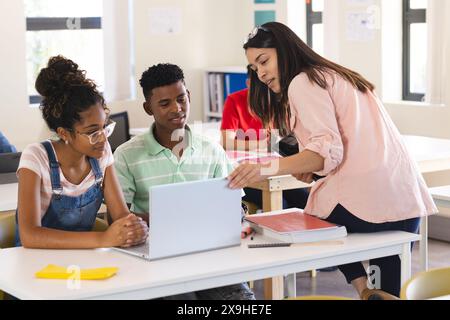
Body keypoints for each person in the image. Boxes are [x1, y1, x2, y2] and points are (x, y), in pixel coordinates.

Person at [228, 22, 437, 299]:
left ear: (285, 50)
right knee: (389, 293)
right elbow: (335, 151)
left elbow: (323, 154)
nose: (261, 73)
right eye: (255, 68)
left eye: (264, 61)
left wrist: (264, 169)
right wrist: (312, 168)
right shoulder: (335, 74)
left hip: (370, 202)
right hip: (405, 202)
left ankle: (361, 287)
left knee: (309, 218)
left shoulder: (303, 82)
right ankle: (372, 292)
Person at [113, 63, 255, 300]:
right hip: (155, 261)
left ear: (188, 96)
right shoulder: (126, 155)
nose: (176, 109)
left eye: (181, 99)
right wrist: (177, 220)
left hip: (210, 257)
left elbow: (233, 208)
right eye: (164, 103)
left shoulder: (211, 150)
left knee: (243, 302)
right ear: (149, 108)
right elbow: (119, 219)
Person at [16, 56, 148, 249]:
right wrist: (103, 239)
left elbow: (121, 216)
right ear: (63, 133)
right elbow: (30, 236)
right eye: (93, 132)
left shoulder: (101, 154)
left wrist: (134, 228)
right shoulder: (36, 157)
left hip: (83, 261)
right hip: (35, 266)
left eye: (105, 127)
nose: (103, 139)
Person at [221, 69, 309, 211]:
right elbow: (227, 142)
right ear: (248, 84)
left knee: (304, 200)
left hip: (275, 169)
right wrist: (263, 145)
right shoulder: (235, 100)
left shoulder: (277, 101)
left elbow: (285, 138)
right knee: (282, 204)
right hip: (248, 174)